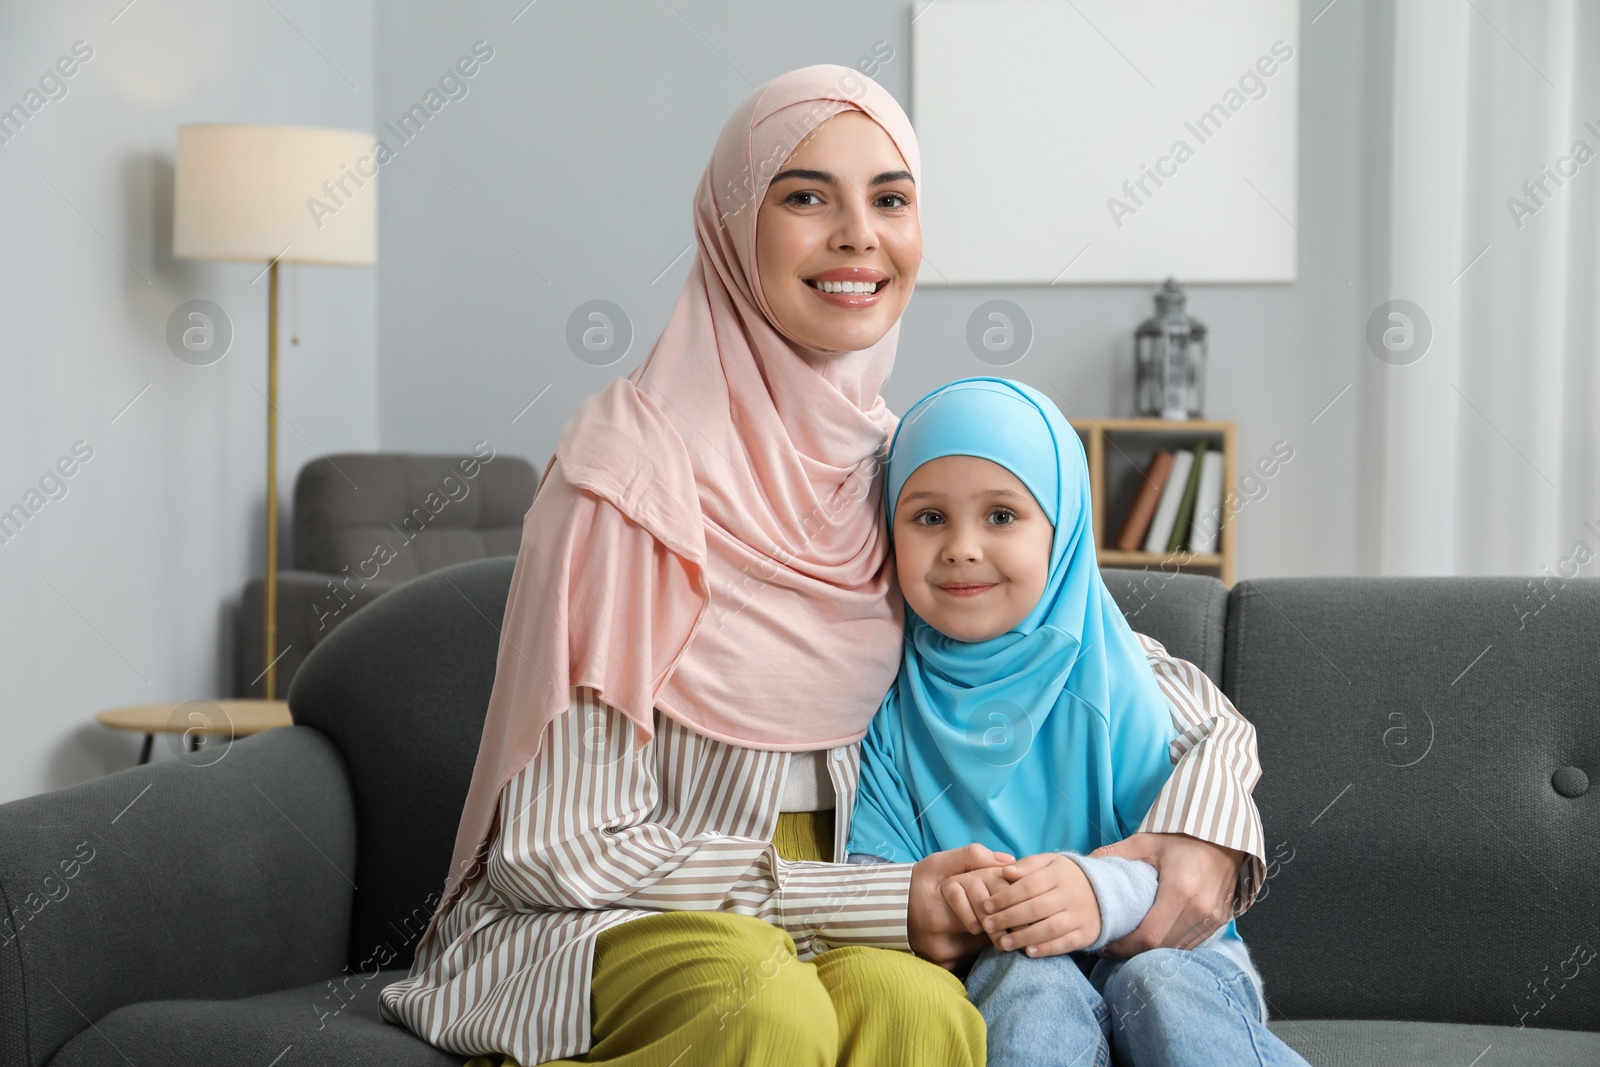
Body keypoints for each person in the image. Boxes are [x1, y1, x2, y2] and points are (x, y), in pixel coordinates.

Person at [378, 64, 1266, 1067]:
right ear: (730, 221)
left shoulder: (896, 470)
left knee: (929, 1016)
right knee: (764, 1009)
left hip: (834, 924)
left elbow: (1111, 660)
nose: (857, 235)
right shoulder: (626, 477)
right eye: (805, 195)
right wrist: (888, 895)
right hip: (605, 919)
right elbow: (561, 849)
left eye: (890, 198)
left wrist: (1204, 834)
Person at [846, 377, 1311, 1066]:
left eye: (1002, 516)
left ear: (1062, 530)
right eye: (929, 517)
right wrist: (952, 896)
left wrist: (1093, 892)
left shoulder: (1128, 680)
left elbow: (1181, 856)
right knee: (1025, 973)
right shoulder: (884, 710)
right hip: (1003, 959)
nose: (962, 547)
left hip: (1174, 955)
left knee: (1158, 981)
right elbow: (875, 870)